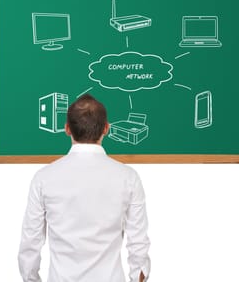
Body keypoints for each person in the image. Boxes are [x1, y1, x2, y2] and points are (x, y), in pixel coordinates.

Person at [18, 94, 151, 282]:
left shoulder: (44, 178)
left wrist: (31, 279)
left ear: (66, 129)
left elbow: (30, 243)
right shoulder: (128, 177)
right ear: (106, 128)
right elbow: (138, 243)